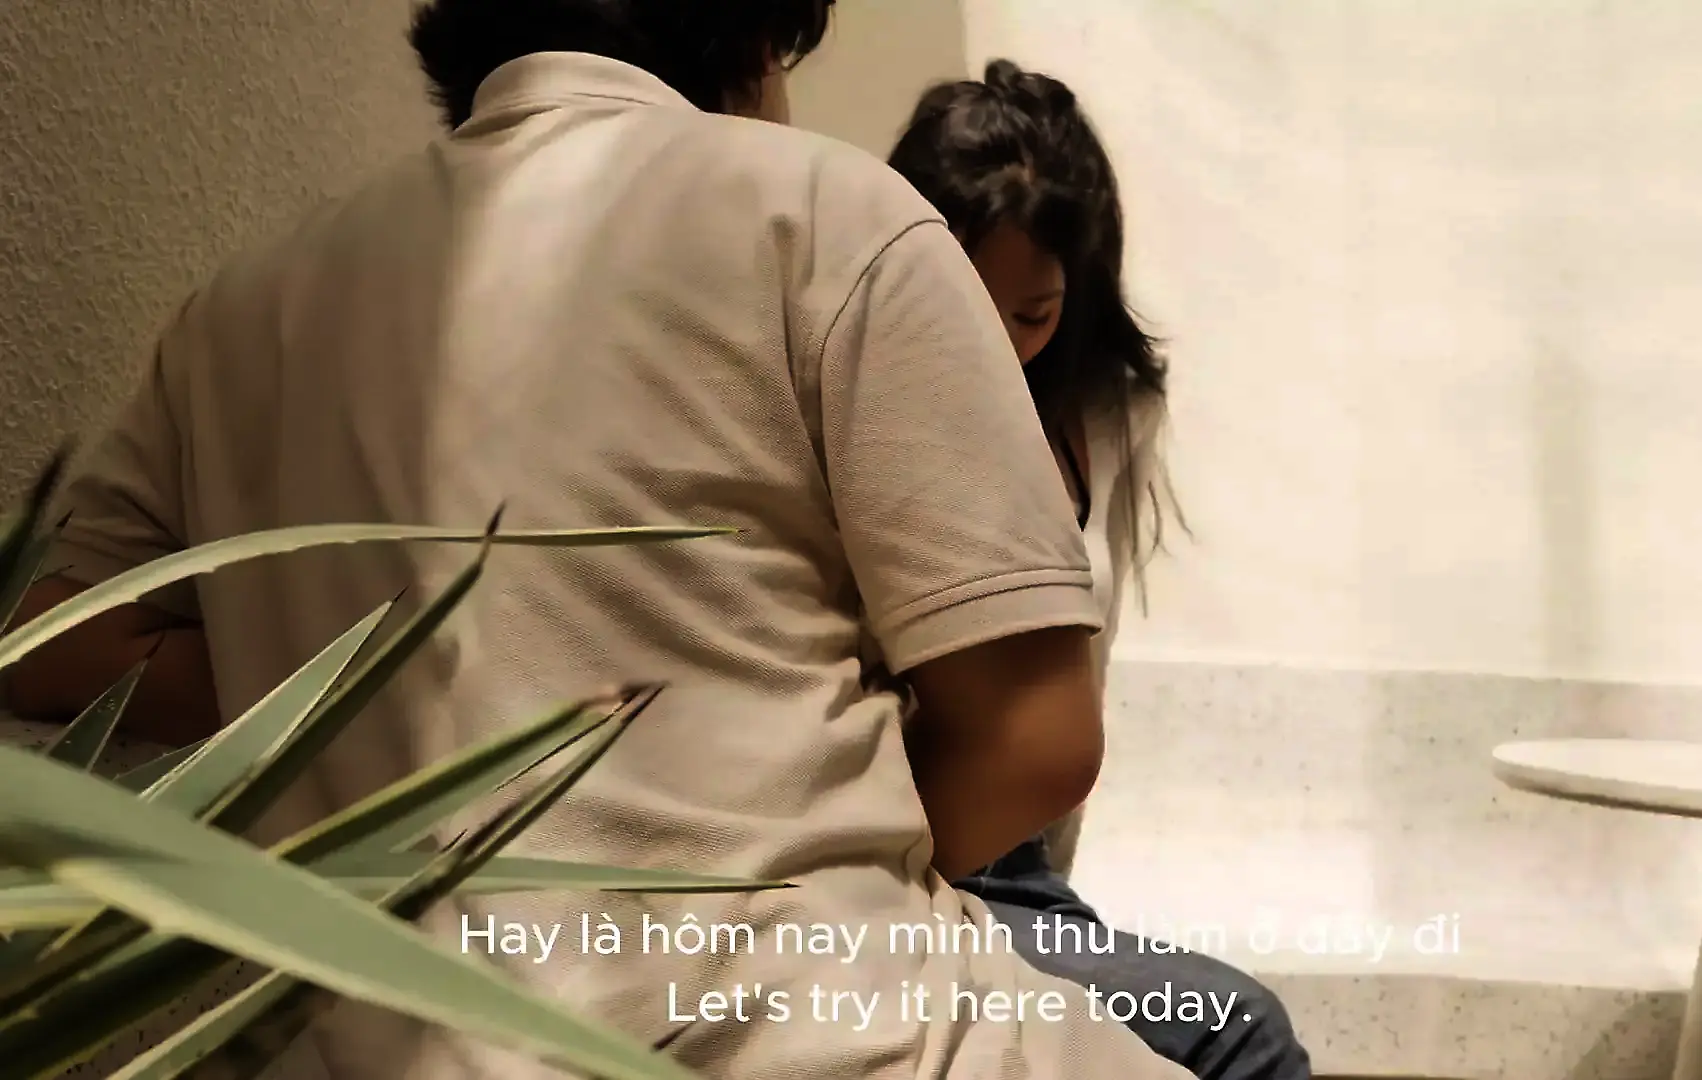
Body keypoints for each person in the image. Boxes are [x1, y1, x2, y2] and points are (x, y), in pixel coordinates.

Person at [1, 4, 1200, 1079]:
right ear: (756, 41)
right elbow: (1034, 738)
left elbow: (50, 640)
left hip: (399, 1048)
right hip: (843, 1038)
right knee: (1235, 1035)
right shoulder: (826, 211)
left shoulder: (247, 305)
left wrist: (380, 663)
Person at [886, 61, 1315, 1080]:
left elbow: (1080, 677)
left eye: (1031, 316)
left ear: (1074, 298)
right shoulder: (865, 408)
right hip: (898, 860)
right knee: (1242, 1034)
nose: (995, 351)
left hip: (1024, 873)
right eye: (962, 310)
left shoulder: (1112, 417)